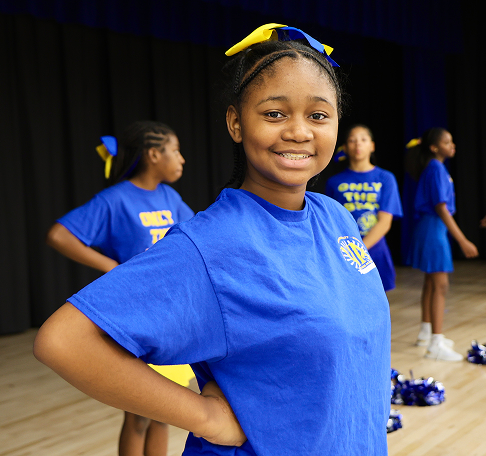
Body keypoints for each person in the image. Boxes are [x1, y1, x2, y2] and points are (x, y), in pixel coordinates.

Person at [35, 24, 391, 455]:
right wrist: (205, 418)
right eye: (274, 114)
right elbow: (65, 341)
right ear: (236, 123)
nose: (299, 131)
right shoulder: (212, 244)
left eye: (318, 115)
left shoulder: (334, 215)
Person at [45, 120, 195, 456]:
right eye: (175, 151)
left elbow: (193, 234)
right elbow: (59, 235)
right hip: (135, 318)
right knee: (139, 414)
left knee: (163, 414)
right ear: (154, 154)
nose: (182, 159)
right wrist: (111, 267)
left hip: (170, 318)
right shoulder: (114, 199)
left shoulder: (169, 196)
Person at [406, 128, 478, 361]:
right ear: (434, 147)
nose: (453, 145)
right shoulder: (436, 168)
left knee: (431, 281)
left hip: (431, 228)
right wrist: (462, 239)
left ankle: (426, 333)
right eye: (448, 141)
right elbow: (441, 207)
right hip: (433, 229)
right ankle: (436, 342)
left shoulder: (435, 167)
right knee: (440, 285)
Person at [325, 124, 403, 291]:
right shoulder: (334, 182)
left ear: (372, 146)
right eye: (352, 140)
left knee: (377, 306)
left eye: (363, 139)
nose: (358, 144)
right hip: (344, 254)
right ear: (345, 147)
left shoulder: (386, 178)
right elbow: (330, 222)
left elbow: (385, 222)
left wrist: (359, 251)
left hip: (375, 251)